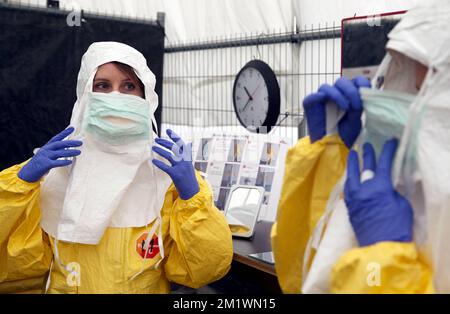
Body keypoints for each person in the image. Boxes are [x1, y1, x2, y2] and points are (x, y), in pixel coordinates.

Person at [0, 42, 233, 294]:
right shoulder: (54, 173)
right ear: (85, 94)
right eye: (102, 86)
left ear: (145, 96)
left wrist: (192, 195)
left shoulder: (167, 176)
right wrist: (20, 185)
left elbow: (204, 270)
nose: (116, 96)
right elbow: (14, 267)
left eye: (129, 86)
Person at [272, 0, 448, 294]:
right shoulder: (393, 180)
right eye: (413, 84)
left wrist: (382, 255)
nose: (413, 100)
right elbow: (307, 278)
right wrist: (330, 157)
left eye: (432, 86)